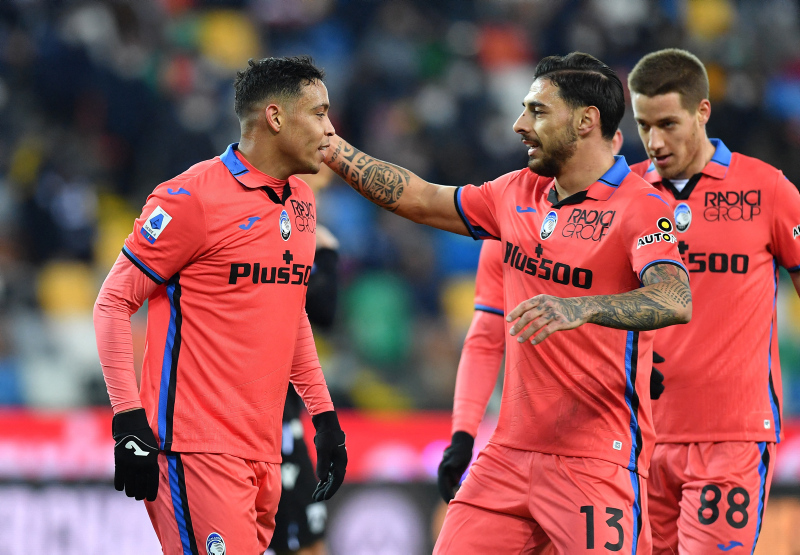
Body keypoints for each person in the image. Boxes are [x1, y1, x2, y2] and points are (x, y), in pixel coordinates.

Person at [324, 52, 691, 553]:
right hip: (508, 455)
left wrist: (581, 307)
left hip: (596, 460)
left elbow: (675, 296)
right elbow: (421, 199)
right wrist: (333, 149)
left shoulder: (640, 208)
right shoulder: (515, 192)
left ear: (586, 120)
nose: (520, 125)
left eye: (538, 111)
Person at [93, 56, 348, 554]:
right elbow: (113, 302)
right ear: (275, 117)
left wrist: (324, 417)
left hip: (264, 451)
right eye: (319, 113)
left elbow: (291, 313)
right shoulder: (191, 198)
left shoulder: (301, 201)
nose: (330, 129)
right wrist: (128, 420)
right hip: (195, 448)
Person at [627, 48, 800, 554]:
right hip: (639, 435)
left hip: (732, 435)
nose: (655, 142)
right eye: (643, 125)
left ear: (702, 111)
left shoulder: (766, 190)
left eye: (668, 124)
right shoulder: (625, 193)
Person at [434, 130, 657, 508]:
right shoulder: (512, 216)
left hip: (614, 443)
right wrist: (463, 435)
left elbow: (674, 301)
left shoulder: (642, 213)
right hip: (522, 444)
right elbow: (488, 336)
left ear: (613, 140)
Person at [269, 169, 340, 555]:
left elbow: (319, 317)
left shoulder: (306, 233)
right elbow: (308, 308)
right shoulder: (269, 228)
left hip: (285, 407)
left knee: (307, 537)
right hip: (260, 408)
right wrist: (325, 257)